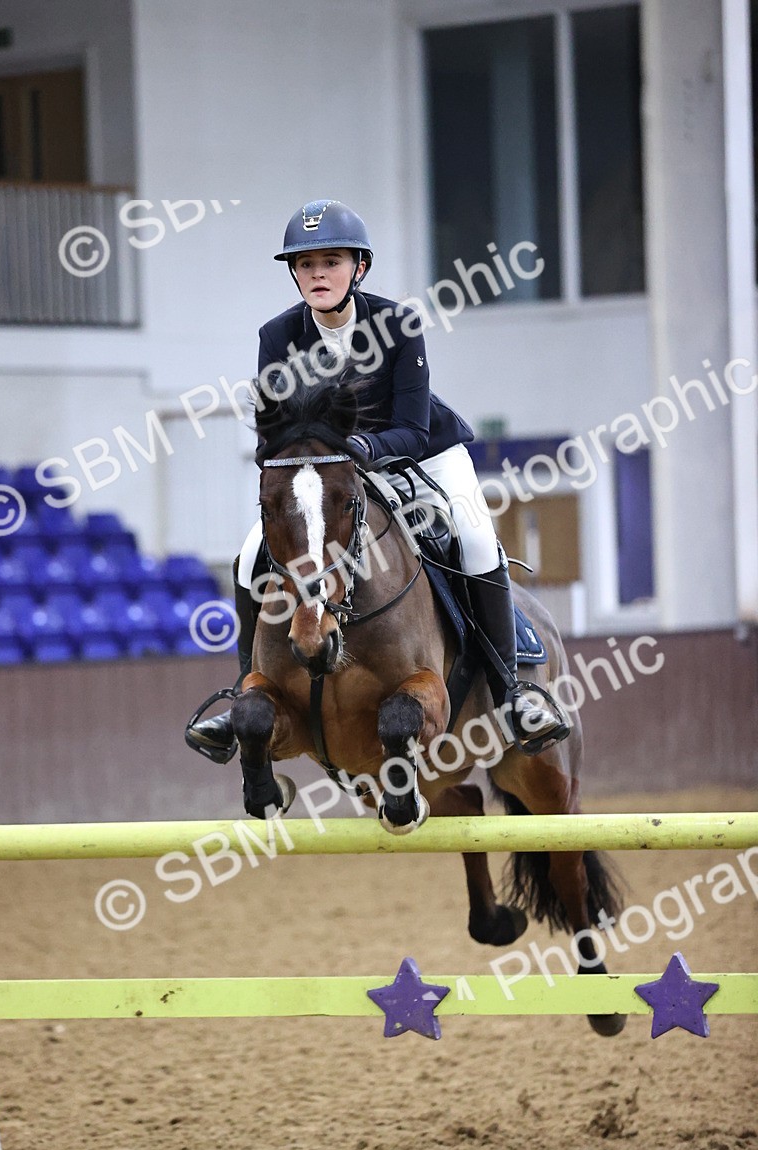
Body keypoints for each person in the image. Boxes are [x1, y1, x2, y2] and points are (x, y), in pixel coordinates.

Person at [186, 199, 567, 762]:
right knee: (249, 558)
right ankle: (242, 686)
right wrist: (314, 462)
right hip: (327, 476)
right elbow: (276, 429)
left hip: (422, 455)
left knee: (477, 536)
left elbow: (412, 429)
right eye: (305, 263)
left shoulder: (398, 325)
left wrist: (359, 450)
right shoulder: (277, 336)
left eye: (331, 261)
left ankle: (512, 695)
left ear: (358, 268)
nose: (317, 273)